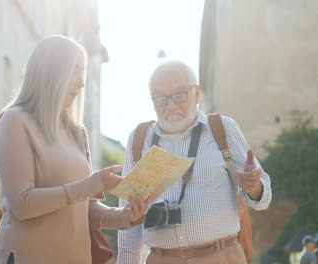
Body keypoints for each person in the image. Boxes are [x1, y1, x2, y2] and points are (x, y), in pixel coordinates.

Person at [0, 35, 148, 264]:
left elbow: (85, 208)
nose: (82, 82)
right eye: (74, 71)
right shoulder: (15, 121)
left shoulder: (77, 132)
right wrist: (90, 185)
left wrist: (124, 217)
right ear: (49, 72)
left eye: (82, 72)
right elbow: (21, 204)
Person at [117, 60, 272, 264]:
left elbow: (264, 198)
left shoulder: (223, 129)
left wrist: (254, 187)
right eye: (161, 98)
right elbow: (128, 221)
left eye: (180, 95)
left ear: (197, 94)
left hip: (220, 256)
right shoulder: (138, 139)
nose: (170, 105)